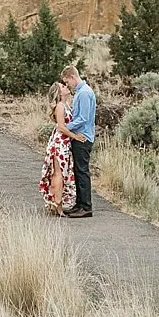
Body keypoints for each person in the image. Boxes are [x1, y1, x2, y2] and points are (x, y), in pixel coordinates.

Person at [60, 64, 95, 218]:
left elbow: (83, 118)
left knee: (82, 171)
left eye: (67, 81)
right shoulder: (81, 92)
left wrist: (64, 127)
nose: (67, 85)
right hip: (79, 136)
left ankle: (86, 206)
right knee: (78, 171)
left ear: (73, 77)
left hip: (83, 137)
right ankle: (79, 204)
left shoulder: (84, 93)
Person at [39, 82, 77, 215]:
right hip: (60, 143)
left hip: (65, 143)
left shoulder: (66, 105)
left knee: (62, 172)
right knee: (58, 173)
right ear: (59, 93)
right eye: (62, 86)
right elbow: (61, 127)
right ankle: (58, 204)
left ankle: (56, 202)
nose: (66, 87)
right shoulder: (60, 106)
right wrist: (75, 136)